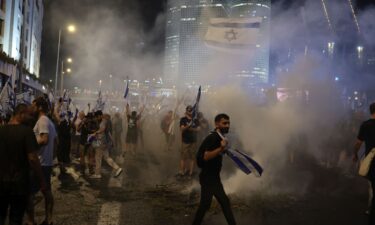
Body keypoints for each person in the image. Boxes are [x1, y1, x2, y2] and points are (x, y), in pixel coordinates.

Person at [0, 104, 46, 225]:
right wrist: (41, 180)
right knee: (15, 218)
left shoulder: (1, 130)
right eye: (28, 115)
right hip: (19, 184)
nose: (31, 117)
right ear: (21, 114)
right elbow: (33, 159)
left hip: (1, 182)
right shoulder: (26, 132)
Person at [193, 113, 236, 225]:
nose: (227, 125)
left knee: (207, 204)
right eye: (224, 123)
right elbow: (206, 156)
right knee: (221, 203)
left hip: (213, 177)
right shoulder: (213, 137)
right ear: (217, 124)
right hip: (208, 178)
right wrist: (221, 148)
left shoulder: (219, 136)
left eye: (228, 123)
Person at [26, 97, 58, 225]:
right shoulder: (49, 121)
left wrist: (28, 144)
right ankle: (49, 219)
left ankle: (30, 221)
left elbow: (44, 139)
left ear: (39, 107)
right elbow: (56, 143)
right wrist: (51, 157)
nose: (31, 108)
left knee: (29, 194)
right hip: (46, 162)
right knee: (46, 191)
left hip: (39, 163)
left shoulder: (42, 121)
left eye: (33, 106)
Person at [353, 102, 375, 225]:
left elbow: (358, 143)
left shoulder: (365, 125)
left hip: (371, 161)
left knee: (372, 186)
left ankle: (371, 210)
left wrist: (355, 154)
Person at [90, 110, 122, 179]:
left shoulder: (103, 121)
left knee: (98, 157)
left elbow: (102, 129)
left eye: (97, 117)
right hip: (104, 142)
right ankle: (117, 168)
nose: (96, 118)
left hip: (100, 141)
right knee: (107, 157)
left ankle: (97, 174)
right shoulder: (106, 121)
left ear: (99, 116)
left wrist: (95, 133)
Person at [179, 105, 200, 178]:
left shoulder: (196, 120)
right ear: (186, 111)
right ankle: (182, 172)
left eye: (191, 110)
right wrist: (188, 126)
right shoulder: (183, 119)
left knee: (192, 157)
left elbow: (198, 129)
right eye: (188, 110)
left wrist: (190, 129)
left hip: (193, 141)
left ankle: (190, 172)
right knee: (183, 157)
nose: (190, 111)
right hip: (185, 141)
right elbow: (182, 129)